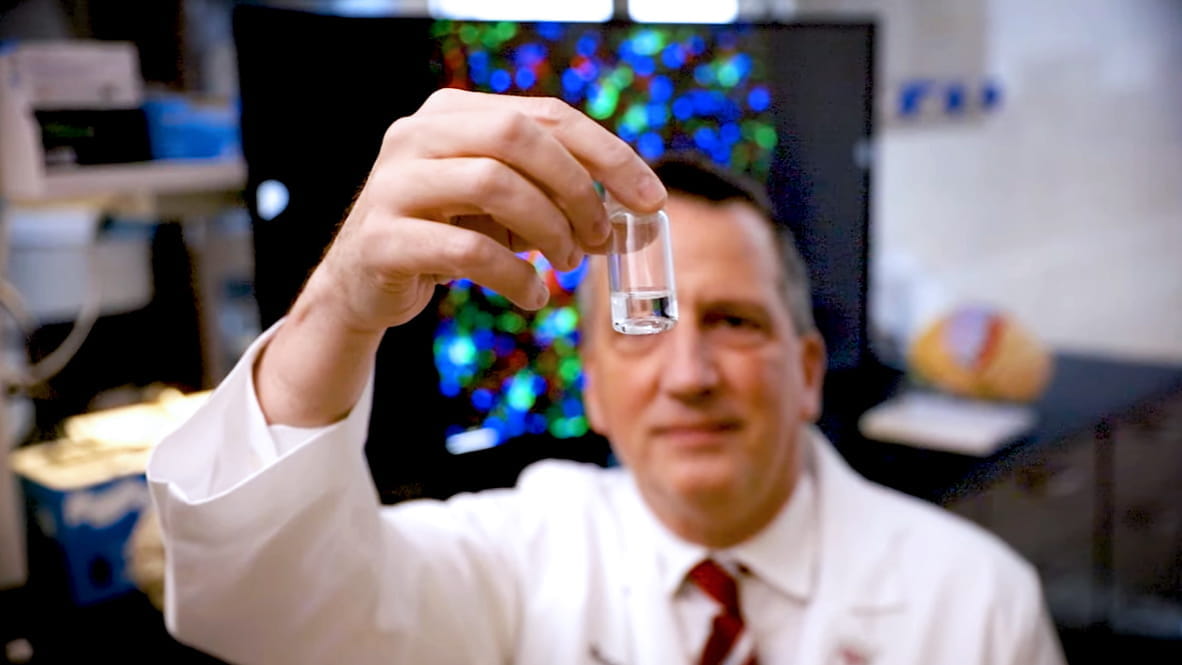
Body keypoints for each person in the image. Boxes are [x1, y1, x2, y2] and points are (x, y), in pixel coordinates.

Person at [147, 89, 1065, 665]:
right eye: (647, 328)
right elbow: (268, 616)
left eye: (736, 322)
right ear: (590, 388)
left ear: (809, 371)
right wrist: (340, 305)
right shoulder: (515, 554)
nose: (690, 374)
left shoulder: (977, 606)